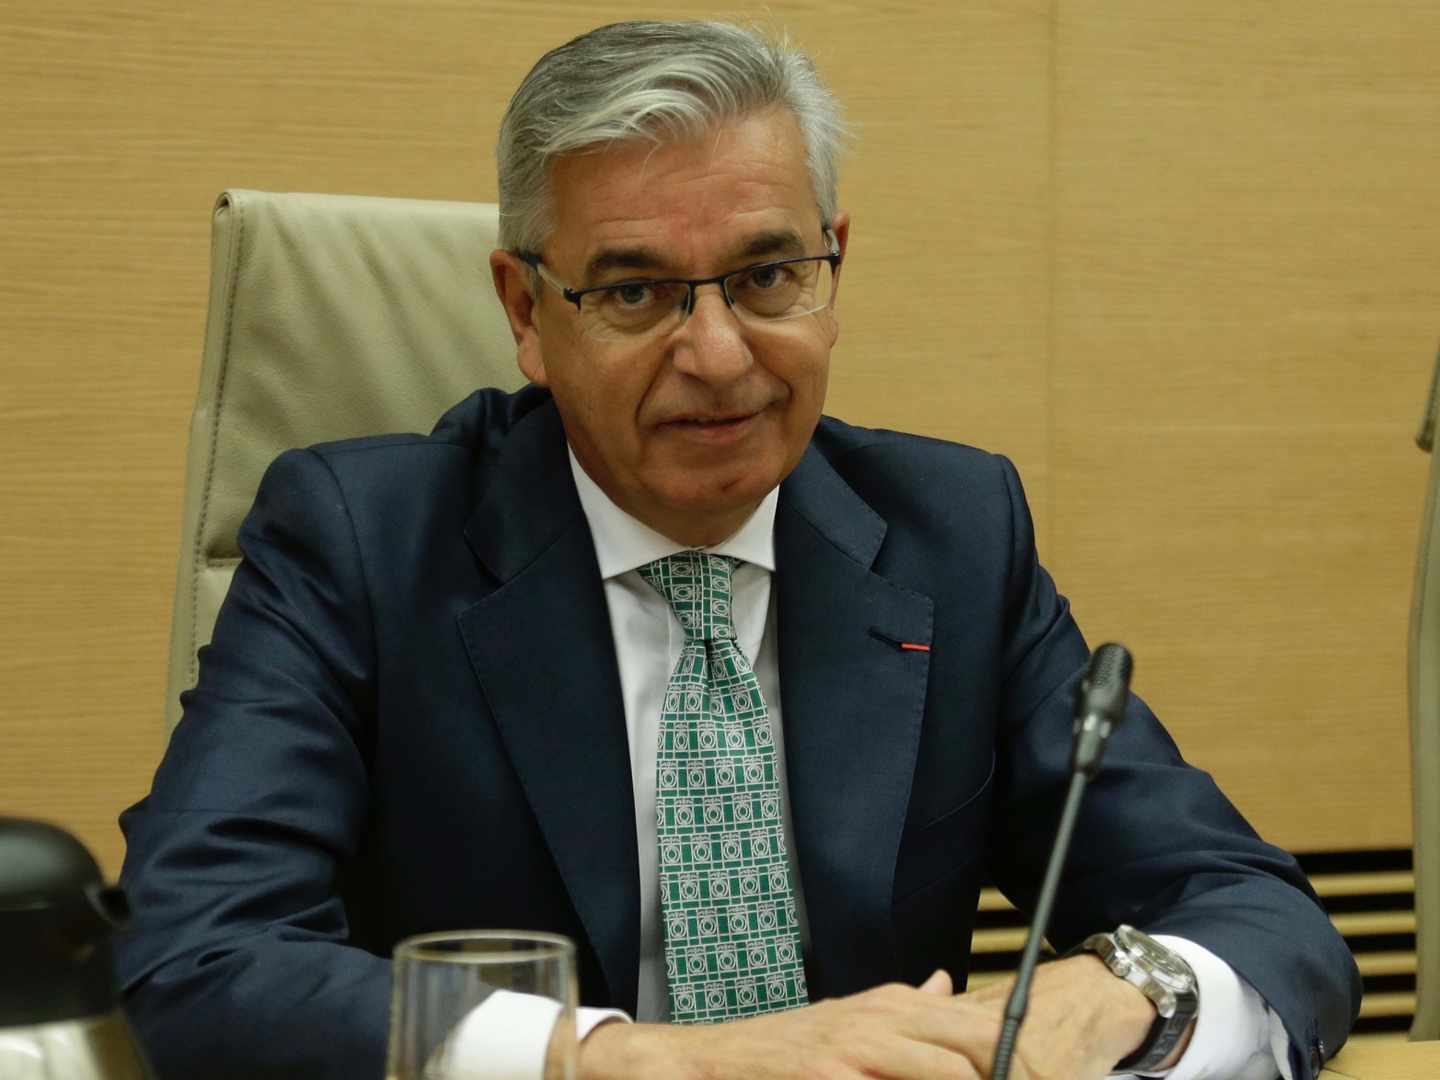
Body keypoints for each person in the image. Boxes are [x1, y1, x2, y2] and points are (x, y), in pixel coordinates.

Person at [116, 19, 1359, 1080]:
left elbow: (1261, 919)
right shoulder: (362, 544)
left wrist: (1109, 995)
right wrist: (626, 1058)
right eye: (635, 291)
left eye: (768, 275)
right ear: (523, 313)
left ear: (834, 266)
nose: (717, 355)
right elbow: (202, 950)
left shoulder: (953, 536)